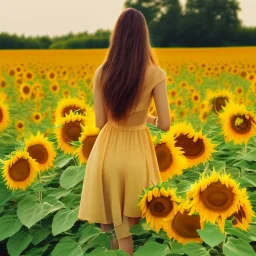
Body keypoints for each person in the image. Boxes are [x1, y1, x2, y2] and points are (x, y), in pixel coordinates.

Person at [78, 7, 171, 256]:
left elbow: (100, 122)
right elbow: (165, 124)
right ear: (143, 37)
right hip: (136, 152)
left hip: (107, 151)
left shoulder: (103, 73)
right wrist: (147, 119)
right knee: (126, 227)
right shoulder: (155, 73)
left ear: (116, 36)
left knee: (116, 228)